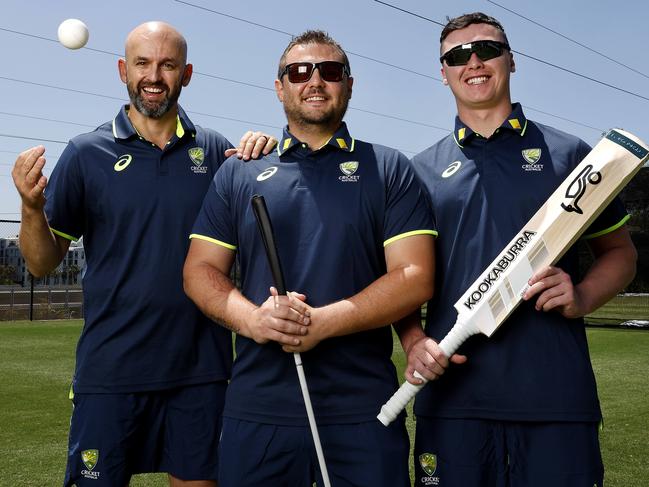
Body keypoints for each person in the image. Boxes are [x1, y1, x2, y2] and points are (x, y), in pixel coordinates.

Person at [11, 21, 276, 487]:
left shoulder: (216, 151)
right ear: (122, 70)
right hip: (110, 372)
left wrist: (266, 157)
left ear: (186, 74)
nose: (154, 75)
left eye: (168, 64)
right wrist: (32, 208)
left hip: (201, 372)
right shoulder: (85, 152)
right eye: (143, 63)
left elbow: (259, 221)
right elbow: (41, 261)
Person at [183, 30, 436, 487]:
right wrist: (253, 320)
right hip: (259, 411)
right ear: (279, 87)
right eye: (299, 72)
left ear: (349, 85)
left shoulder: (390, 168)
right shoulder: (239, 169)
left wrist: (323, 323)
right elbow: (199, 272)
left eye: (330, 71)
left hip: (362, 410)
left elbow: (414, 276)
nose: (315, 80)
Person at [398, 12, 638, 487]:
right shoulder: (417, 171)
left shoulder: (572, 156)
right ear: (442, 72)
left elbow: (621, 253)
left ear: (511, 59)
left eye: (487, 49)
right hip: (454, 404)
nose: (473, 62)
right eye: (457, 55)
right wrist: (411, 340)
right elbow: (400, 278)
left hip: (556, 400)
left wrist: (583, 297)